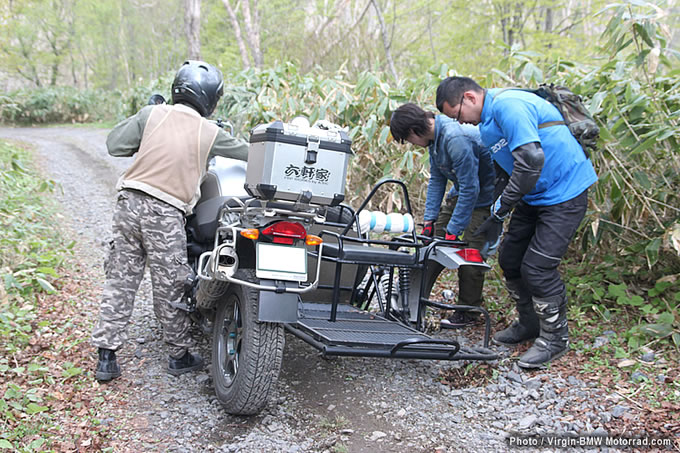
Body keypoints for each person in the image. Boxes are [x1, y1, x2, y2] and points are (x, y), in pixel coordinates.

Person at [91, 60, 249, 381]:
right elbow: (247, 152)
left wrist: (144, 113)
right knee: (171, 284)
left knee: (121, 278)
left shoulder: (152, 115)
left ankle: (106, 357)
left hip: (129, 202)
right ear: (209, 98)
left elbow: (114, 143)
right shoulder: (209, 131)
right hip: (164, 211)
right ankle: (179, 354)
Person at [435, 76, 597, 368]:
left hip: (565, 192)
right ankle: (529, 323)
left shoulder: (508, 106)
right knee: (510, 260)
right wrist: (494, 211)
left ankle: (555, 338)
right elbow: (504, 171)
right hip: (534, 195)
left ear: (470, 98)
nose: (461, 123)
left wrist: (501, 210)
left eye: (457, 115)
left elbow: (531, 160)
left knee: (537, 266)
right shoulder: (485, 124)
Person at [390, 103, 497, 328]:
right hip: (461, 193)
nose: (413, 145)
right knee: (430, 245)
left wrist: (454, 230)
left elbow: (472, 188)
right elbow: (437, 180)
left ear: (414, 131)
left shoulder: (455, 138)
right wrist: (429, 219)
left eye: (409, 140)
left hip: (484, 198)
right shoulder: (435, 139)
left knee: (470, 252)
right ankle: (412, 304)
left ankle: (468, 312)